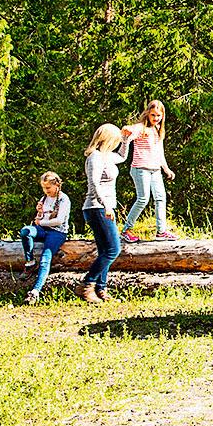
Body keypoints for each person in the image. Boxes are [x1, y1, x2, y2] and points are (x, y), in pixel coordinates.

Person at [79, 123, 131, 303]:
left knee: (104, 250)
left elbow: (122, 157)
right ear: (107, 139)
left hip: (103, 208)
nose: (117, 143)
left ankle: (101, 289)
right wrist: (106, 206)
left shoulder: (107, 156)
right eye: (115, 140)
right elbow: (94, 184)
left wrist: (126, 140)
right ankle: (87, 284)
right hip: (97, 208)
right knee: (113, 249)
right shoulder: (95, 157)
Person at [120, 100, 178, 242]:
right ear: (147, 114)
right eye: (153, 115)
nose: (155, 118)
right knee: (143, 199)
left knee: (161, 197)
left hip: (155, 170)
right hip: (140, 169)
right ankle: (126, 230)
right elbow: (130, 131)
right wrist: (126, 132)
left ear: (162, 116)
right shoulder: (141, 128)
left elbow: (160, 153)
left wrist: (166, 169)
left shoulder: (158, 129)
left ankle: (161, 232)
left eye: (158, 115)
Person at [18, 171, 70, 305]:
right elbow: (39, 219)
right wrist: (40, 213)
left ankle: (35, 291)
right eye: (43, 188)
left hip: (57, 232)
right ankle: (30, 262)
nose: (46, 190)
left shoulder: (64, 199)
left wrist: (41, 222)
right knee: (25, 231)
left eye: (48, 187)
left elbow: (59, 221)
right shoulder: (44, 198)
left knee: (45, 258)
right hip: (43, 229)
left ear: (57, 185)